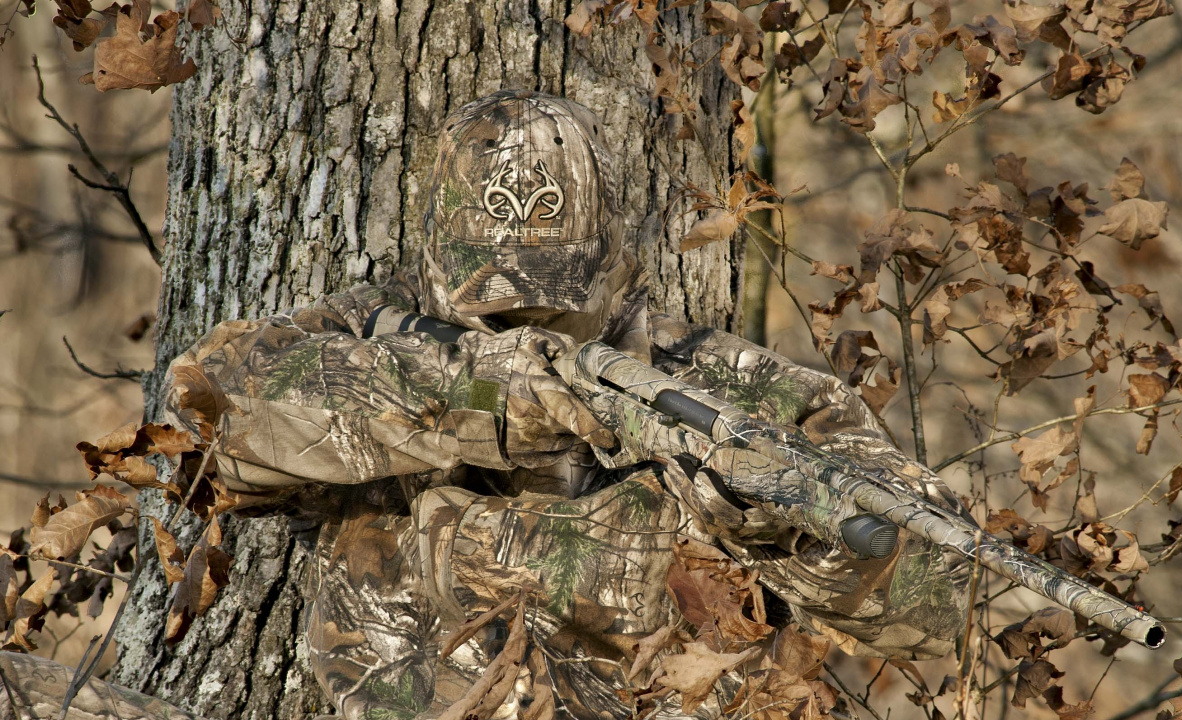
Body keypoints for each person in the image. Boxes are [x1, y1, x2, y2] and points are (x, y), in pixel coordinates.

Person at [0, 90, 969, 720]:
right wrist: (486, 394)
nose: (522, 313)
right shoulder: (367, 328)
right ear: (434, 251)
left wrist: (765, 525)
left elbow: (927, 598)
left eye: (552, 294)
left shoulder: (726, 387)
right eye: (490, 298)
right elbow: (212, 415)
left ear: (611, 257)